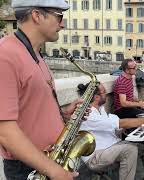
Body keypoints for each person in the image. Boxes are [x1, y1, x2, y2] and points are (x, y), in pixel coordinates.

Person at [0, 1, 90, 179]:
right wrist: (54, 171)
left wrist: (63, 114)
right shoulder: (5, 55)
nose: (62, 24)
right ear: (37, 15)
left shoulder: (35, 54)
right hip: (31, 169)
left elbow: (29, 109)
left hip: (52, 158)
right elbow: (4, 131)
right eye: (59, 16)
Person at [78, 83, 144, 180]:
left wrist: (133, 128)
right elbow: (121, 123)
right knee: (130, 150)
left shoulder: (100, 109)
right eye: (104, 92)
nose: (106, 94)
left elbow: (114, 126)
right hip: (95, 157)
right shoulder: (88, 114)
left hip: (111, 147)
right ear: (96, 97)